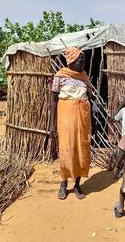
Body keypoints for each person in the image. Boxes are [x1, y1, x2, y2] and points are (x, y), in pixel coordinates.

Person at [49, 46, 94, 200]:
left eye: (84, 61)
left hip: (83, 117)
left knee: (81, 148)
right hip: (66, 116)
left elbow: (90, 97)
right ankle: (63, 183)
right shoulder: (60, 76)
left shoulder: (84, 76)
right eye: (80, 61)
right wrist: (52, 124)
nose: (83, 64)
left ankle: (77, 184)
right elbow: (53, 100)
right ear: (71, 61)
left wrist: (91, 118)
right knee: (67, 149)